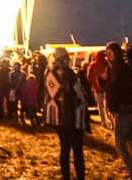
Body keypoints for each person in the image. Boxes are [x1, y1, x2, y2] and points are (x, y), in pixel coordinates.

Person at [99, 41, 132, 180]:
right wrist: (102, 80)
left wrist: (105, 81)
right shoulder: (112, 67)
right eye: (107, 53)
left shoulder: (121, 68)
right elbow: (110, 86)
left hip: (123, 107)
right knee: (127, 139)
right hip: (118, 107)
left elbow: (117, 87)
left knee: (120, 142)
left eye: (110, 52)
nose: (108, 55)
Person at [45, 47, 86, 180]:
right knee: (77, 149)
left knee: (64, 149)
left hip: (57, 116)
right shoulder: (68, 72)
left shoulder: (48, 72)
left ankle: (66, 177)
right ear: (63, 58)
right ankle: (80, 177)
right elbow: (78, 91)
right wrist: (84, 102)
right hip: (72, 115)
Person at [87, 50, 113, 130]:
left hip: (97, 90)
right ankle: (112, 123)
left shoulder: (93, 65)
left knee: (101, 107)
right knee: (109, 107)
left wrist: (94, 85)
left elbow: (89, 76)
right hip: (107, 89)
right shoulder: (107, 64)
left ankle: (104, 122)